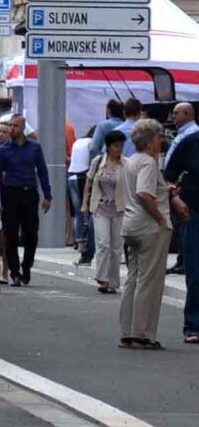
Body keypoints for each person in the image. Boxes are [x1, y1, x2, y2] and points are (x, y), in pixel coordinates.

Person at [119, 119, 187, 350]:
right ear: (149, 142)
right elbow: (144, 194)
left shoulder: (131, 161)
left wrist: (163, 189)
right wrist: (160, 218)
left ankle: (127, 330)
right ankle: (143, 333)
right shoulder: (148, 163)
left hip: (131, 225)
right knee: (150, 281)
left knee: (133, 278)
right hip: (148, 226)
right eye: (158, 137)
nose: (161, 140)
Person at [0, 114, 53, 286]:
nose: (12, 129)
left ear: (23, 128)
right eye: (10, 126)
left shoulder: (34, 148)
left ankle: (27, 266)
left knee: (31, 234)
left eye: (15, 126)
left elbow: (42, 171)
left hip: (29, 193)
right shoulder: (3, 150)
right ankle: (14, 270)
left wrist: (47, 195)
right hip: (10, 194)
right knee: (10, 234)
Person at [163, 117, 199, 343]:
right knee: (195, 273)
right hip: (194, 214)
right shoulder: (190, 143)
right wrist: (175, 199)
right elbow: (167, 178)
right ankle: (193, 325)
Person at [86, 130, 129, 294]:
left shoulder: (126, 164)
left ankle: (113, 281)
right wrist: (85, 204)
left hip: (119, 209)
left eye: (121, 146)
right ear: (108, 147)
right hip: (100, 207)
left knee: (117, 247)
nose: (119, 149)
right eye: (116, 146)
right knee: (103, 243)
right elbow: (89, 182)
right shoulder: (98, 162)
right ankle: (102, 278)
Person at [165, 102, 196, 275]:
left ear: (187, 114)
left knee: (185, 227)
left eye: (176, 113)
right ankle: (182, 260)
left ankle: (184, 261)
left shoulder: (190, 136)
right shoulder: (185, 136)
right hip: (180, 193)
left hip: (186, 192)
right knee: (181, 227)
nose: (173, 117)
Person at [69, 126, 95, 266]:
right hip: (83, 176)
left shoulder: (78, 141)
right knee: (88, 211)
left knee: (77, 212)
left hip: (71, 175)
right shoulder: (92, 143)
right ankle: (85, 243)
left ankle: (79, 242)